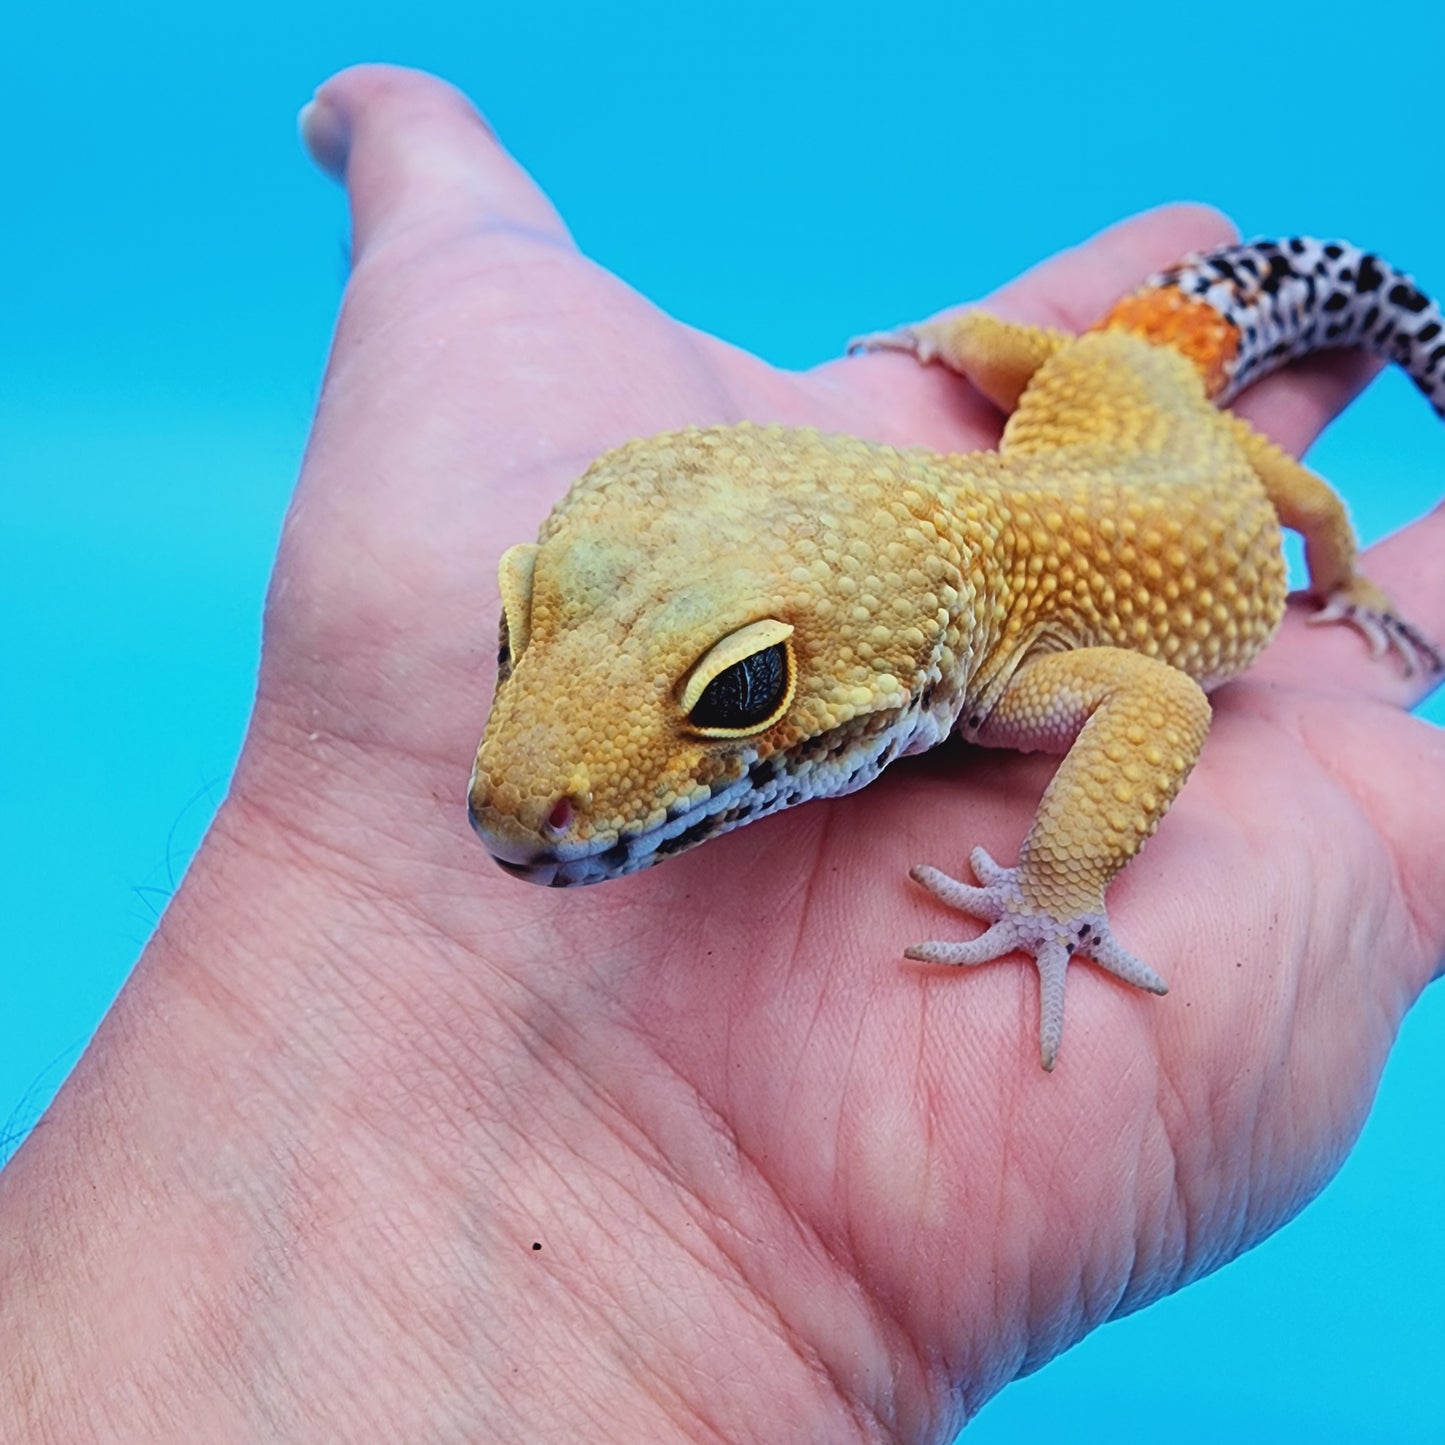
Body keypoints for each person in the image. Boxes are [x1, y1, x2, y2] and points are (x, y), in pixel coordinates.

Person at [2, 63, 1441, 1443]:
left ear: (912, 666)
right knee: (1093, 370)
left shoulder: (1011, 672)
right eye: (525, 628)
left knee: (1263, 464)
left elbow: (1161, 704)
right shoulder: (926, 549)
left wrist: (1071, 867)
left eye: (737, 687)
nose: (521, 784)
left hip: (1159, 424)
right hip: (1089, 392)